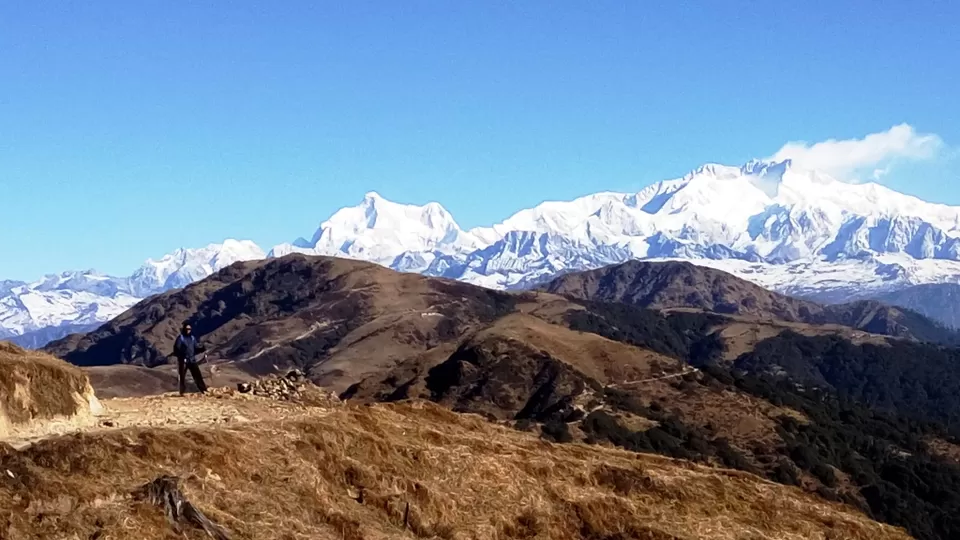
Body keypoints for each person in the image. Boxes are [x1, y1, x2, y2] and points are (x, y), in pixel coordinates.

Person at [172, 322, 208, 395]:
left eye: (190, 329)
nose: (188, 330)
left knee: (197, 375)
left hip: (192, 360)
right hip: (183, 361)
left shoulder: (192, 338)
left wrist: (202, 349)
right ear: (184, 329)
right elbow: (176, 349)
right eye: (187, 329)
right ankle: (182, 392)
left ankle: (203, 390)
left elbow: (195, 348)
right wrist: (182, 355)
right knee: (182, 377)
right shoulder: (180, 338)